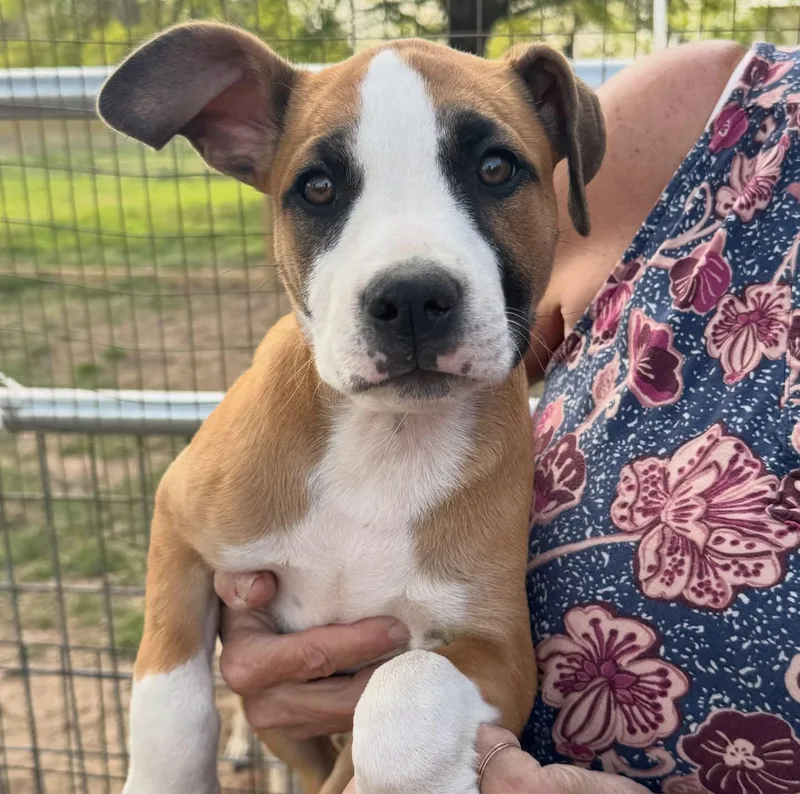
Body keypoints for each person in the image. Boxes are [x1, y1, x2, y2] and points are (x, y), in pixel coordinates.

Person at [214, 36, 800, 793]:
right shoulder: (710, 111)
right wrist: (292, 578)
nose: (420, 283)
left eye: (491, 171)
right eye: (324, 188)